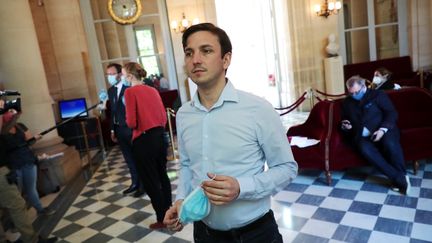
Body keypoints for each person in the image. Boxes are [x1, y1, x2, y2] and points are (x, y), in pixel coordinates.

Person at [163, 23, 298, 243]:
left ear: (226, 60)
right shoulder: (184, 114)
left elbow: (287, 168)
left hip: (255, 234)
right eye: (189, 53)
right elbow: (187, 165)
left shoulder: (257, 109)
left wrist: (240, 187)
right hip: (205, 233)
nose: (195, 59)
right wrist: (181, 202)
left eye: (206, 51)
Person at [123, 62, 172, 230]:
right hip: (159, 137)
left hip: (143, 140)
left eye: (124, 75)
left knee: (150, 181)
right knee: (162, 176)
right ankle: (171, 214)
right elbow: (163, 117)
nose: (123, 78)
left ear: (129, 76)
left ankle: (162, 218)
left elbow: (131, 122)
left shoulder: (130, 92)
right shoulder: (152, 90)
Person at [341, 76, 410, 194]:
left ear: (363, 87)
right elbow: (345, 120)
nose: (354, 95)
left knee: (390, 143)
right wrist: (346, 126)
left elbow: (391, 113)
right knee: (363, 148)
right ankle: (399, 178)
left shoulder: (377, 95)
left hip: (383, 129)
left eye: (357, 92)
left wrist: (382, 130)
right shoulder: (347, 102)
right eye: (351, 93)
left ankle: (400, 177)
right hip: (362, 136)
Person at [0, 100, 57, 243]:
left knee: (22, 196)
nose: (5, 109)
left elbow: (22, 137)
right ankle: (31, 240)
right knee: (17, 203)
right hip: (11, 164)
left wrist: (16, 115)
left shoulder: (17, 125)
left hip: (21, 161)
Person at [1, 110, 55, 216]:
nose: (13, 115)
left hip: (28, 160)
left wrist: (35, 138)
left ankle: (40, 210)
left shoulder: (20, 126)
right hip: (13, 166)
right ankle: (18, 219)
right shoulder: (2, 131)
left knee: (31, 188)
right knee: (16, 193)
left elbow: (30, 140)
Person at [106, 63, 143, 197]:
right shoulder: (110, 91)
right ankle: (134, 183)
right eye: (108, 74)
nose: (109, 76)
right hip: (118, 129)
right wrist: (112, 130)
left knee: (138, 157)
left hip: (130, 127)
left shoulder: (129, 88)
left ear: (120, 74)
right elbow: (112, 112)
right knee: (128, 158)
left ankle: (142, 185)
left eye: (111, 74)